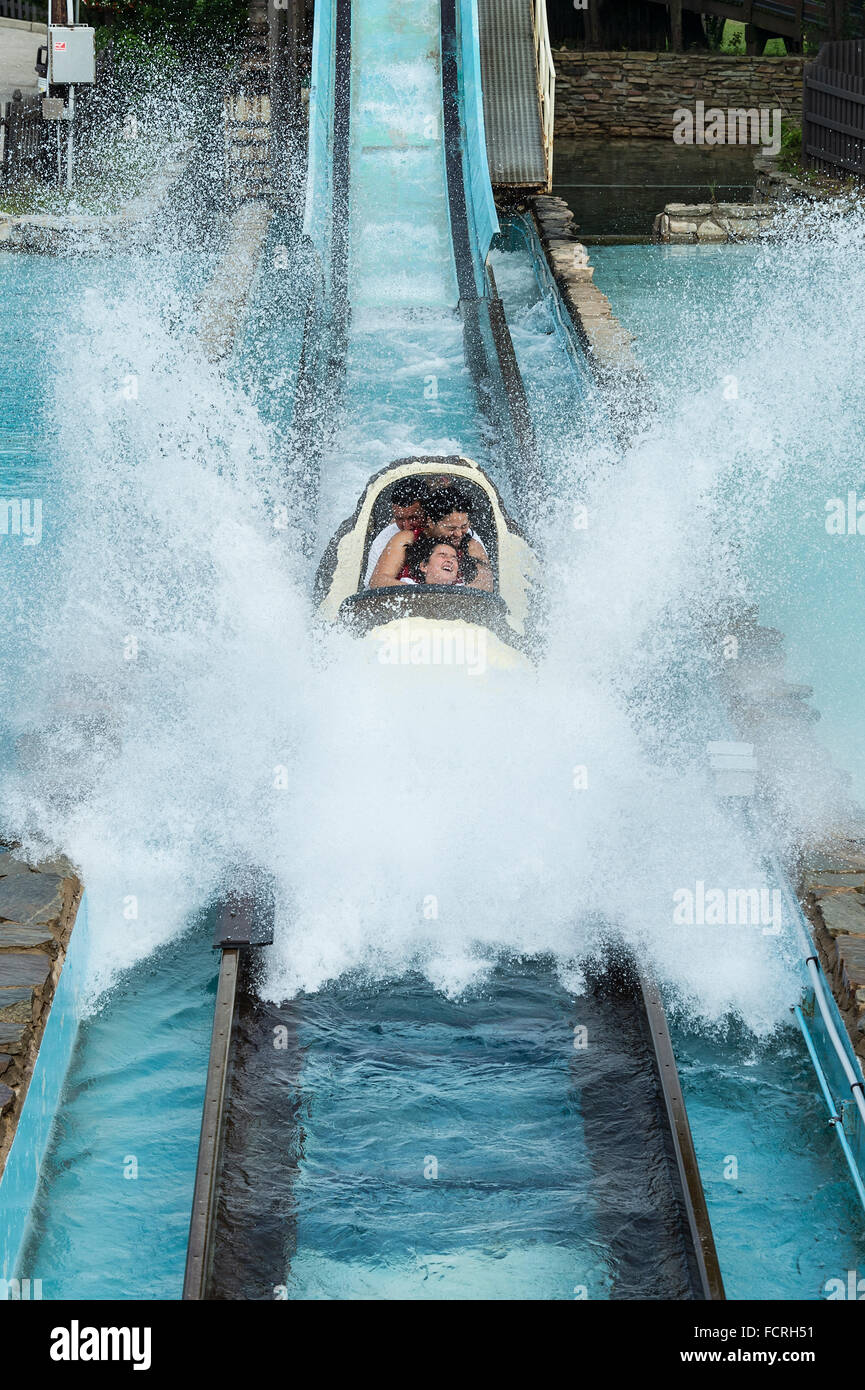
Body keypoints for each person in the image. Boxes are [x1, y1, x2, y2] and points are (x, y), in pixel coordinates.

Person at [369, 485, 493, 591]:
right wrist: (426, 595)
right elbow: (378, 581)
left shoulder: (471, 545)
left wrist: (449, 598)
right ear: (430, 522)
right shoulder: (407, 539)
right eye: (451, 529)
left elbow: (485, 584)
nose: (459, 534)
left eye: (464, 526)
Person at [363, 477, 430, 586]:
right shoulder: (383, 540)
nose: (406, 526)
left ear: (426, 513)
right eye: (400, 519)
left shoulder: (451, 530)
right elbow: (372, 586)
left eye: (413, 518)